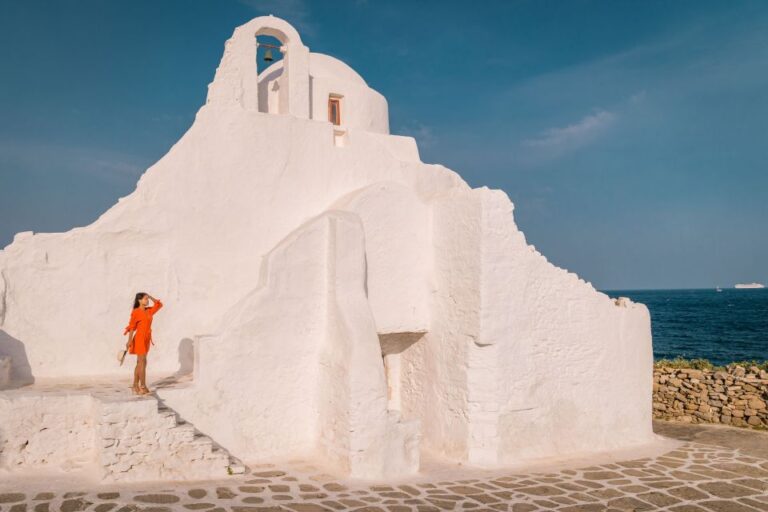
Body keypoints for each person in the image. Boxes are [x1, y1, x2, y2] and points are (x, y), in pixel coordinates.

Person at [124, 292, 163, 395]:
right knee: (142, 362)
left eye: (147, 299)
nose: (147, 301)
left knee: (141, 362)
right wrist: (129, 341)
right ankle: (143, 386)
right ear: (139, 300)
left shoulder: (149, 311)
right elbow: (132, 327)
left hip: (146, 338)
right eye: (145, 299)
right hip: (140, 338)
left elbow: (159, 305)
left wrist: (150, 296)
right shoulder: (136, 312)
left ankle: (135, 385)